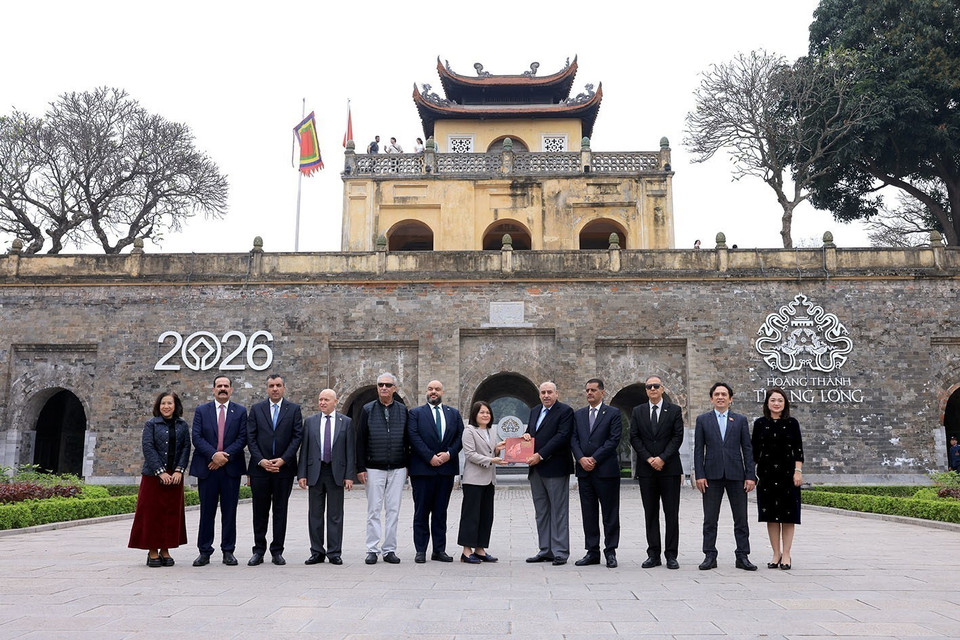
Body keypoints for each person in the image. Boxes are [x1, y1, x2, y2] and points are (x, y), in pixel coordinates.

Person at [693, 382, 757, 571]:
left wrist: (750, 475)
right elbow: (698, 450)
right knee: (710, 518)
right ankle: (709, 555)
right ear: (711, 398)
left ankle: (742, 555)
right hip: (711, 475)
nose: (720, 397)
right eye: (717, 394)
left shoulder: (740, 420)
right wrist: (700, 474)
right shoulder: (703, 420)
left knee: (741, 518)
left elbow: (747, 449)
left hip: (736, 475)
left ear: (731, 399)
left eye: (724, 394)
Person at [189, 375, 247, 567]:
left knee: (229, 512)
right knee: (207, 512)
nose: (222, 389)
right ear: (213, 389)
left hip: (230, 469)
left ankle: (228, 551)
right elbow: (196, 437)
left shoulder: (240, 411)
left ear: (231, 390)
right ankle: (204, 551)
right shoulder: (201, 411)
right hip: (208, 468)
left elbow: (242, 438)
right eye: (219, 386)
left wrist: (224, 457)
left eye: (226, 386)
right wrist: (214, 455)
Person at [128, 390, 190, 567]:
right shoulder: (151, 424)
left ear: (175, 406)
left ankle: (166, 549)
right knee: (152, 514)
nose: (166, 406)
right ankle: (152, 550)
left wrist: (179, 470)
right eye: (163, 403)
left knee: (171, 513)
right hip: (154, 476)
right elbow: (148, 448)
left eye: (169, 403)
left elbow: (186, 447)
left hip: (175, 476)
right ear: (158, 406)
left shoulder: (182, 425)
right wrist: (160, 472)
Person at [246, 374, 303, 566]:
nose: (275, 389)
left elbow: (297, 437)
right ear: (267, 388)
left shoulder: (293, 410)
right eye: (271, 386)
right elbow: (251, 438)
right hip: (260, 469)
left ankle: (277, 551)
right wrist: (261, 460)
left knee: (280, 510)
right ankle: (258, 550)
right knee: (259, 511)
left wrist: (283, 460)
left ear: (284, 388)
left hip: (283, 470)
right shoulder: (256, 409)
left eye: (278, 385)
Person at [630, 375, 684, 570]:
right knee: (650, 513)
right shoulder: (638, 411)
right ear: (646, 390)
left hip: (669, 468)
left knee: (671, 513)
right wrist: (648, 458)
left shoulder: (674, 410)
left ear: (662, 389)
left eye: (656, 386)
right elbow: (634, 437)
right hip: (647, 469)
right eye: (649, 386)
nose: (652, 389)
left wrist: (662, 458)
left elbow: (677, 437)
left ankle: (671, 554)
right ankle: (653, 554)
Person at [407, 380, 464, 563]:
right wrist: (429, 457)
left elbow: (459, 437)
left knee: (441, 512)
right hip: (423, 470)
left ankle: (439, 550)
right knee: (421, 511)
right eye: (430, 389)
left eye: (437, 389)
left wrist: (449, 454)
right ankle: (421, 550)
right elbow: (413, 436)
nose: (433, 392)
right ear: (426, 391)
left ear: (442, 392)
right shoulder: (416, 414)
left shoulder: (453, 414)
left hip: (445, 470)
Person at [298, 388, 355, 566]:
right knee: (315, 514)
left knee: (335, 515)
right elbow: (305, 449)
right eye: (320, 399)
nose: (322, 402)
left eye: (326, 400)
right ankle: (316, 552)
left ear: (335, 401)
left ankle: (334, 552)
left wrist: (349, 476)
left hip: (336, 472)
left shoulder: (345, 422)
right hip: (316, 472)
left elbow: (350, 451)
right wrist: (302, 474)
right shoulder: (310, 422)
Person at [356, 372, 408, 564]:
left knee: (393, 510)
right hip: (373, 467)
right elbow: (360, 440)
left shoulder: (403, 410)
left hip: (397, 467)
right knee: (374, 510)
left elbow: (407, 440)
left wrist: (407, 465)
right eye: (380, 385)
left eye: (388, 385)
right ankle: (372, 549)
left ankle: (389, 549)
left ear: (394, 388)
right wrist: (360, 467)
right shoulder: (367, 409)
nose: (384, 388)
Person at [571, 378, 622, 568]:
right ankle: (592, 551)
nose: (589, 393)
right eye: (587, 390)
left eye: (593, 390)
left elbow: (613, 439)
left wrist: (594, 459)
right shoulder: (579, 415)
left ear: (602, 392)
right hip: (585, 473)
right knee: (589, 513)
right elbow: (573, 439)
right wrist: (581, 458)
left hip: (606, 471)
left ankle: (610, 551)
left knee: (610, 513)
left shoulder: (613, 413)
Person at [523, 381, 574, 565]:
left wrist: (541, 455)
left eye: (549, 392)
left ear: (556, 394)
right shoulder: (535, 411)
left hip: (555, 467)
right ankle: (545, 550)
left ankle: (560, 551)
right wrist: (526, 436)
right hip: (536, 469)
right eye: (543, 392)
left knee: (558, 511)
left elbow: (562, 436)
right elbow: (531, 433)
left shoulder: (565, 411)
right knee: (541, 511)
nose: (546, 395)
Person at [752, 387, 804, 570]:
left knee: (788, 515)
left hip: (788, 475)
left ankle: (787, 554)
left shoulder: (792, 423)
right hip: (766, 475)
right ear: (767, 403)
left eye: (780, 400)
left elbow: (798, 449)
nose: (776, 403)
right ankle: (776, 553)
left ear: (785, 403)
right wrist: (751, 474)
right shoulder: (760, 424)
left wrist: (798, 471)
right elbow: (754, 453)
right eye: (773, 400)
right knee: (771, 516)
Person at [458, 401, 506, 563]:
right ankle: (466, 551)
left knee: (486, 515)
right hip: (474, 479)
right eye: (482, 412)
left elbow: (490, 450)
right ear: (475, 415)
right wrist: (492, 459)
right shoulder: (469, 431)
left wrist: (498, 448)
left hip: (489, 479)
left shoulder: (492, 431)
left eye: (488, 412)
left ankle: (480, 549)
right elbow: (470, 454)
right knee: (471, 515)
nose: (485, 415)